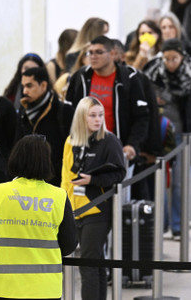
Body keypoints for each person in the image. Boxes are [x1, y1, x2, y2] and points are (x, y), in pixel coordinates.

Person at [0, 134, 77, 300]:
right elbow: (69, 245)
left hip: (1, 287)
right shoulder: (58, 196)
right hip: (44, 289)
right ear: (46, 162)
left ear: (16, 158)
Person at [143, 38, 191, 236]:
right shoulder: (152, 71)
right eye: (166, 59)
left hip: (183, 133)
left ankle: (178, 224)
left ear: (182, 56)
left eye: (174, 58)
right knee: (159, 179)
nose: (170, 63)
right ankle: (161, 223)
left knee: (180, 181)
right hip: (158, 133)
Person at [61, 97, 126, 300]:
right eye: (92, 115)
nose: (98, 119)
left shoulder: (109, 141)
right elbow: (65, 177)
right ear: (82, 117)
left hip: (98, 210)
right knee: (95, 261)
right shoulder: (71, 141)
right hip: (75, 209)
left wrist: (93, 180)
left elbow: (119, 174)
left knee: (88, 264)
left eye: (100, 115)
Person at [66, 35, 150, 165]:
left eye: (99, 52)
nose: (93, 56)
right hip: (84, 149)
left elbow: (141, 117)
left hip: (117, 151)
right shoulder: (81, 77)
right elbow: (69, 111)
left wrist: (132, 145)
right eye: (91, 52)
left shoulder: (128, 78)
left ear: (112, 54)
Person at [15, 67, 73, 187]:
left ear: (43, 85)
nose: (25, 91)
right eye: (23, 86)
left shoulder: (64, 111)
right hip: (28, 184)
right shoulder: (23, 112)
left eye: (29, 86)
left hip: (56, 184)